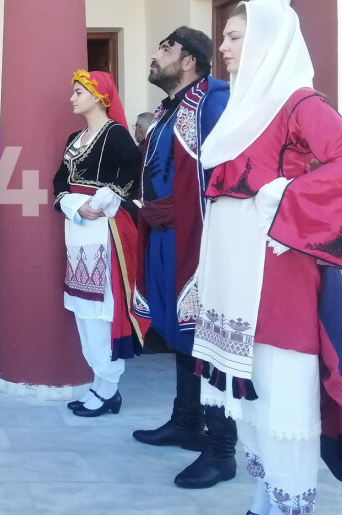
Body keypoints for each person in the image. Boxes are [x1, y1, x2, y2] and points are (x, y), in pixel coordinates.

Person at [193, 0, 342, 515]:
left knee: (280, 389)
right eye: (225, 37)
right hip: (236, 276)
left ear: (268, 44)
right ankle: (264, 500)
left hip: (276, 270)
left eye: (235, 37)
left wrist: (287, 194)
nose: (224, 48)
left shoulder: (300, 103)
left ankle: (290, 503)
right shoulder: (244, 108)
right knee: (251, 395)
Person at [131, 27, 234, 489]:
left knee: (207, 336)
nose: (155, 56)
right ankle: (186, 421)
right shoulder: (168, 109)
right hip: (162, 233)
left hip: (198, 237)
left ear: (189, 60)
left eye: (165, 49)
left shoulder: (213, 100)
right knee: (179, 330)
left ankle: (221, 449)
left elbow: (226, 171)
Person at [53, 70, 146, 417]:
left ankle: (108, 388)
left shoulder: (116, 135)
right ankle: (99, 384)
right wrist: (73, 203)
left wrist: (101, 200)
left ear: (98, 95)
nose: (72, 98)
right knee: (83, 307)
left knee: (102, 308)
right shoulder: (74, 138)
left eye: (78, 92)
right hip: (78, 228)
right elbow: (60, 179)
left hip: (105, 231)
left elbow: (131, 174)